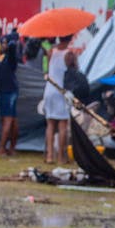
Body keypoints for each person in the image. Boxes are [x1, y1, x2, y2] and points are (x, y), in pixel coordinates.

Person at [42, 34, 73, 164]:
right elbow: (74, 72)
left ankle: (49, 156)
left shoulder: (51, 52)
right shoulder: (69, 54)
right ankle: (61, 157)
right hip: (62, 91)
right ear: (70, 39)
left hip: (49, 90)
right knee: (62, 125)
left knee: (50, 124)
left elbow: (49, 69)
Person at [0, 30, 20, 156]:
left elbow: (12, 47)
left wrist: (11, 41)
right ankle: (12, 148)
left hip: (9, 91)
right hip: (5, 91)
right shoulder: (2, 57)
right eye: (2, 43)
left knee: (7, 120)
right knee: (12, 120)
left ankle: (1, 148)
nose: (3, 45)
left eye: (4, 43)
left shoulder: (11, 57)